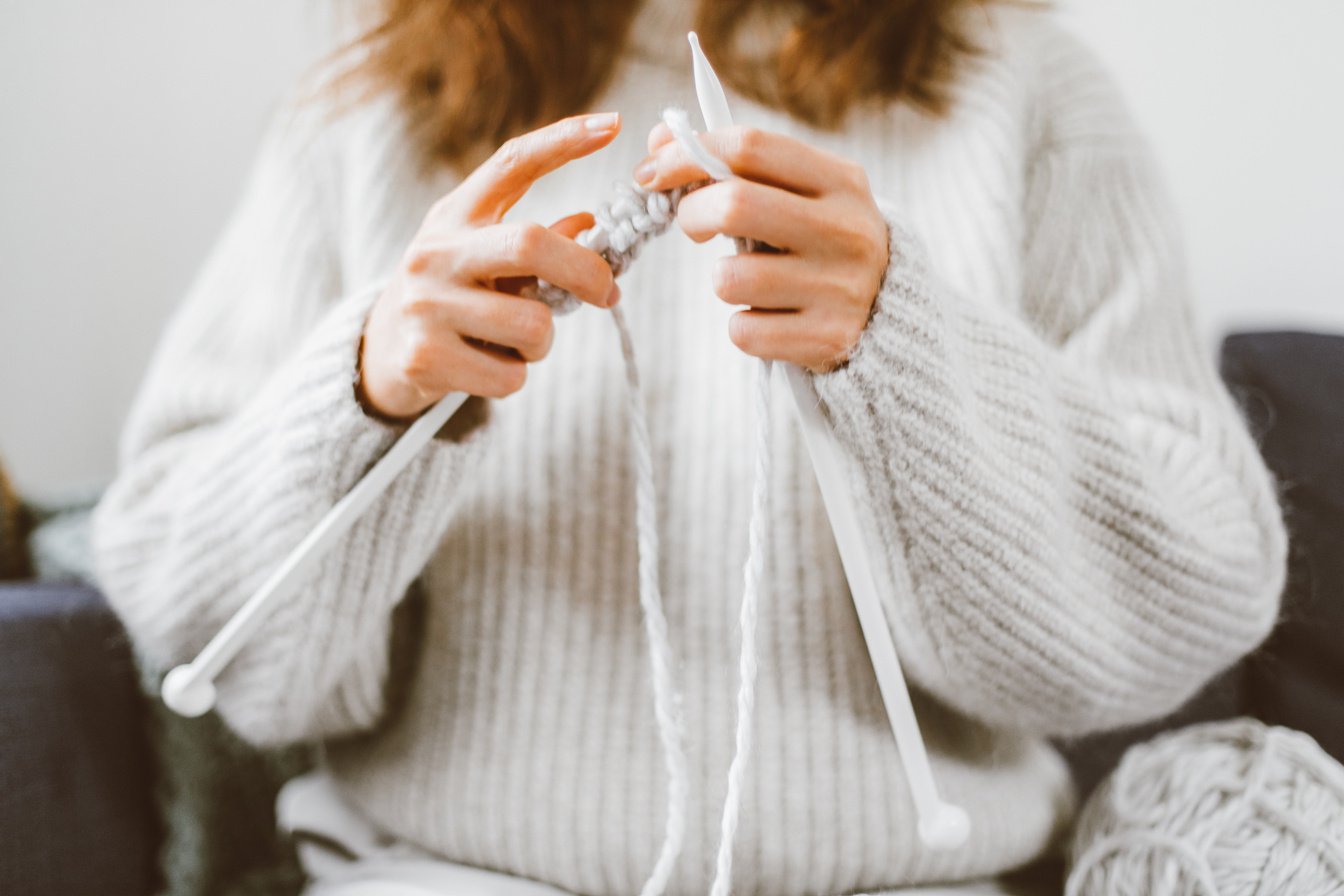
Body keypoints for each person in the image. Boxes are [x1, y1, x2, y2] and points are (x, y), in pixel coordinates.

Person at [92, 0, 1288, 894]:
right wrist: (364, 394)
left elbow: (1196, 580)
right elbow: (186, 609)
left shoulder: (1033, 96)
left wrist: (912, 353)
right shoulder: (362, 115)